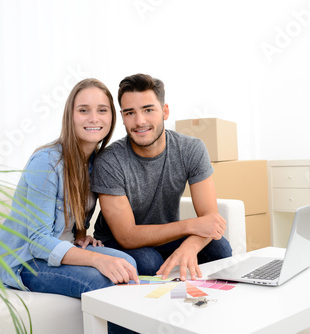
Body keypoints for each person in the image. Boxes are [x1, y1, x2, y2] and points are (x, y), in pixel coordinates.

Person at [0, 78, 139, 333]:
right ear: (70, 115)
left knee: (127, 264)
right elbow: (37, 241)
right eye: (83, 110)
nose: (93, 118)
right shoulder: (47, 162)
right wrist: (95, 261)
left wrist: (81, 236)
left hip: (62, 250)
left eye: (102, 110)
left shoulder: (96, 164)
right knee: (104, 281)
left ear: (112, 117)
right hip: (25, 261)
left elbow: (77, 214)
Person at [91, 73, 232, 282]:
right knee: (148, 262)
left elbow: (209, 220)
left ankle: (208, 305)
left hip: (166, 237)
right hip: (117, 242)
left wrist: (188, 247)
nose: (140, 121)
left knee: (219, 247)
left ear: (165, 111)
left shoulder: (191, 149)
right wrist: (189, 226)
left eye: (148, 110)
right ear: (122, 116)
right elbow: (127, 235)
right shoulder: (110, 160)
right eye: (130, 113)